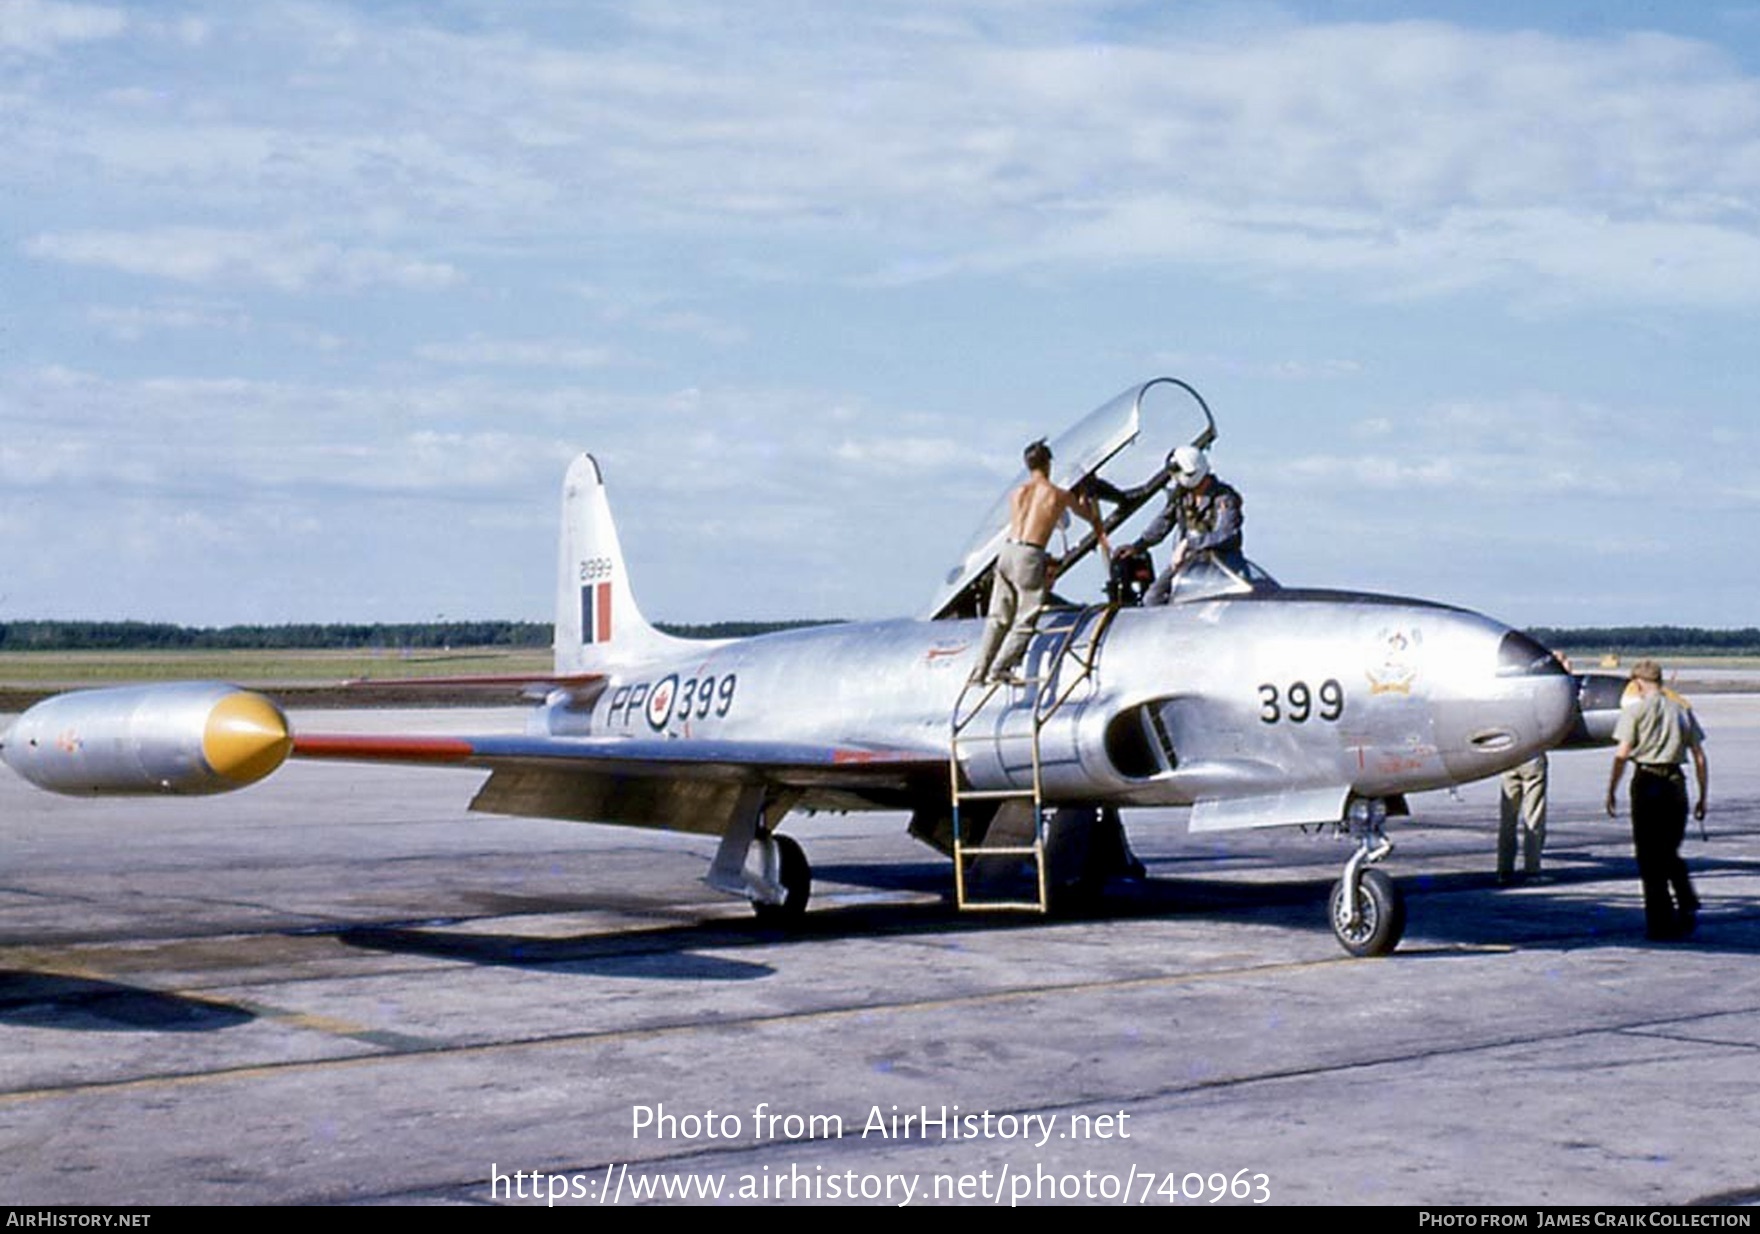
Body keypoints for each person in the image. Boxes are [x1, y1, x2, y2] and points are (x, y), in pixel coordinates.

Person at [970, 440, 1110, 685]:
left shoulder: (1016, 494)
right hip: (1030, 555)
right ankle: (1000, 668)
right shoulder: (1058, 494)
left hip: (1007, 553)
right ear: (1048, 464)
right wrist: (1088, 501)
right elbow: (1088, 517)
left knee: (998, 617)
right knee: (1027, 616)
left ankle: (978, 672)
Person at [1604, 659, 1709, 940]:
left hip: (1648, 782)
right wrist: (1702, 796)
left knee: (1649, 857)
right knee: (1669, 850)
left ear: (1637, 682)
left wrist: (1612, 789)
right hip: (1676, 783)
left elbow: (1622, 753)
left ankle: (1660, 923)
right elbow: (1699, 756)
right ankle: (1686, 901)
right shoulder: (1682, 711)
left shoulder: (1635, 712)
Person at [1114, 445, 1243, 607]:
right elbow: (1164, 522)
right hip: (1188, 563)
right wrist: (1138, 546)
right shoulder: (1182, 495)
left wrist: (1190, 543)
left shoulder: (1224, 498)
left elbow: (1228, 535)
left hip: (1221, 567)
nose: (1175, 478)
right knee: (1152, 599)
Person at [1497, 754, 1547, 884]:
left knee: (1507, 819)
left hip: (1509, 758)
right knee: (1533, 817)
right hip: (1532, 757)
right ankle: (1532, 871)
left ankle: (1504, 871)